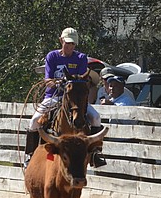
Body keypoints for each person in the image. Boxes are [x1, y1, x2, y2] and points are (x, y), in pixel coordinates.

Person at [24, 28, 103, 165]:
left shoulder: (80, 58)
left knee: (96, 118)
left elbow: (81, 78)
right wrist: (57, 83)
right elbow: (47, 80)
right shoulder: (52, 56)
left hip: (75, 98)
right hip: (54, 96)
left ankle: (95, 153)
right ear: (61, 40)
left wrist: (71, 84)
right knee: (34, 121)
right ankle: (31, 155)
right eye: (67, 43)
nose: (70, 46)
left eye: (73, 44)